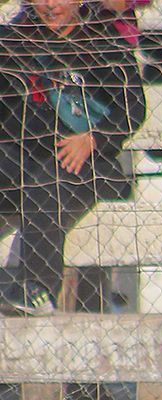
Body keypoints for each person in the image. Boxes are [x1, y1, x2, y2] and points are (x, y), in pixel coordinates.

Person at [0, 0, 145, 316]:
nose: (50, 6)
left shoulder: (103, 42)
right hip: (23, 158)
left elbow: (133, 109)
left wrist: (94, 138)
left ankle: (36, 289)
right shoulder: (12, 44)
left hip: (87, 163)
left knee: (47, 184)